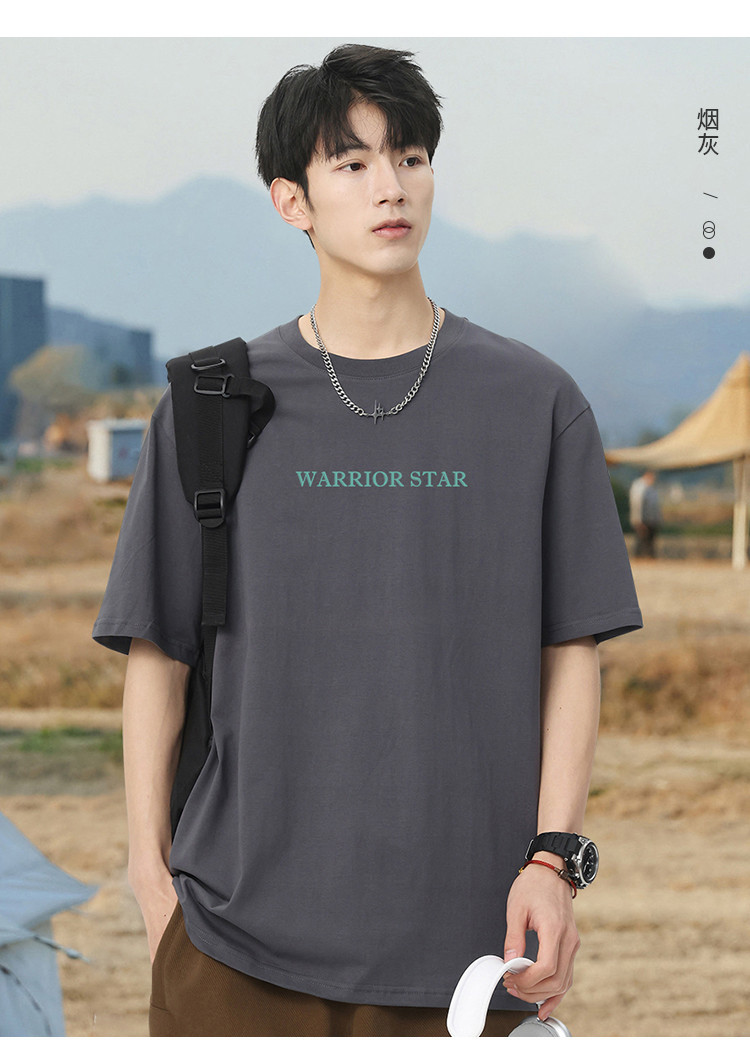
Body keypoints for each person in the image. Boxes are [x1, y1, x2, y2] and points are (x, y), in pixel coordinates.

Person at [92, 43, 644, 1037]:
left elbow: (571, 648)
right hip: (231, 939)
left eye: (410, 157)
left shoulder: (534, 402)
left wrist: (554, 861)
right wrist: (151, 879)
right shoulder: (211, 406)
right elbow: (158, 654)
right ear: (290, 201)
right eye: (351, 163)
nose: (391, 186)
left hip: (464, 947)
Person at [629, 469, 662, 558]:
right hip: (642, 520)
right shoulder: (639, 487)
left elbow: (655, 506)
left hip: (651, 520)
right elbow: (637, 505)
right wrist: (639, 520)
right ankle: (639, 559)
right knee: (641, 541)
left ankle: (649, 559)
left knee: (650, 543)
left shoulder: (652, 487)